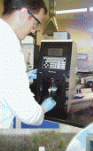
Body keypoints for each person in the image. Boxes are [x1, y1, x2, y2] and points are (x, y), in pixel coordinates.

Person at [0, 0, 56, 128]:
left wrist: (23, 77)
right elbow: (29, 114)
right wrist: (43, 109)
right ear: (24, 13)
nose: (32, 30)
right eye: (35, 24)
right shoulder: (8, 48)